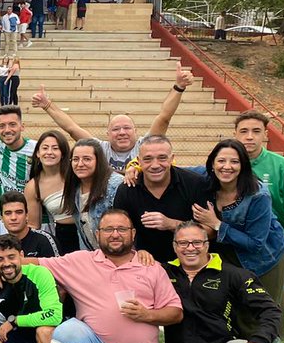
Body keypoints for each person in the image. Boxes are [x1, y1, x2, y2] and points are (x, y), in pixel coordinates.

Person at [37, 209, 183, 343]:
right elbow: (35, 264)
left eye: (122, 229)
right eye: (108, 229)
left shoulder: (151, 267)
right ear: (97, 234)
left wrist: (146, 315)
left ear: (133, 234)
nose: (115, 234)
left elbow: (176, 313)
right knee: (66, 332)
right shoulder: (80, 261)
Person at [31, 65, 193, 172]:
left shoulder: (145, 145)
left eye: (127, 128)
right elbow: (72, 128)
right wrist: (47, 106)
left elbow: (164, 117)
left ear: (135, 131)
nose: (122, 132)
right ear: (107, 134)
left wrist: (179, 87)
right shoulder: (101, 149)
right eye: (115, 129)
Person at [191, 139, 284, 314]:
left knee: (263, 313)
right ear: (212, 164)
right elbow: (169, 169)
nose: (227, 167)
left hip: (263, 258)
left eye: (234, 162)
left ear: (243, 165)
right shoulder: (203, 176)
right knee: (231, 313)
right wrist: (135, 169)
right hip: (226, 255)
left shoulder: (258, 195)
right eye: (221, 161)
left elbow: (256, 244)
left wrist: (217, 224)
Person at [234, 111, 284, 309]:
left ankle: (271, 338)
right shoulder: (227, 164)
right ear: (235, 134)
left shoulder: (282, 166)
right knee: (237, 300)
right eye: (244, 131)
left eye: (256, 131)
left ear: (265, 134)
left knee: (282, 300)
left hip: (276, 243)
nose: (249, 136)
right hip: (238, 243)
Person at [112, 135, 210, 264]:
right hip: (145, 264)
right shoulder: (127, 189)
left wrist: (172, 224)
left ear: (172, 159)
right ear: (138, 162)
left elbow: (210, 230)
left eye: (162, 158)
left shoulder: (195, 184)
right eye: (147, 159)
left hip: (191, 264)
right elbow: (118, 232)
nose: (155, 165)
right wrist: (135, 252)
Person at [62, 139, 124, 251]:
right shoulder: (75, 188)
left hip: (119, 256)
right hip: (94, 257)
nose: (80, 164)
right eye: (75, 159)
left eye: (87, 159)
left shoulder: (116, 185)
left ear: (98, 161)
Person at [24, 130, 77, 254]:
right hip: (65, 237)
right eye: (45, 148)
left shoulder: (76, 172)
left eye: (55, 148)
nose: (49, 152)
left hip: (92, 232)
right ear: (38, 153)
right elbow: (33, 226)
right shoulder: (33, 186)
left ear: (63, 153)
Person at [0, 191, 58, 257]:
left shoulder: (45, 240)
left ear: (26, 215)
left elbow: (57, 267)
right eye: (8, 213)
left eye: (19, 212)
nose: (13, 217)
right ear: (2, 218)